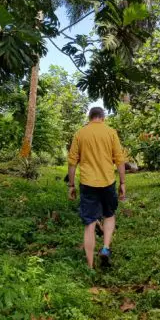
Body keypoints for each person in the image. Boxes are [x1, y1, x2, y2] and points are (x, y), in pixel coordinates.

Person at [67, 106, 126, 269]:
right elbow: (119, 160)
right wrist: (122, 183)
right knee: (109, 215)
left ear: (89, 117)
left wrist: (71, 185)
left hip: (87, 183)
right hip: (108, 182)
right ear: (103, 117)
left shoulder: (80, 133)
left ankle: (90, 266)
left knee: (90, 223)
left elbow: (72, 162)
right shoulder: (110, 132)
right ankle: (105, 249)